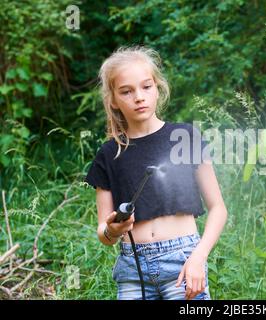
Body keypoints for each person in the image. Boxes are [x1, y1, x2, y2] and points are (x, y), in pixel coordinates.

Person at [84, 46, 228, 300]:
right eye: (126, 91)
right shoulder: (109, 153)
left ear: (157, 87)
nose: (139, 97)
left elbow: (218, 208)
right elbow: (103, 233)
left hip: (183, 262)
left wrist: (199, 257)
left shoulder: (185, 138)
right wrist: (113, 230)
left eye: (146, 87)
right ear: (113, 100)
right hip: (132, 269)